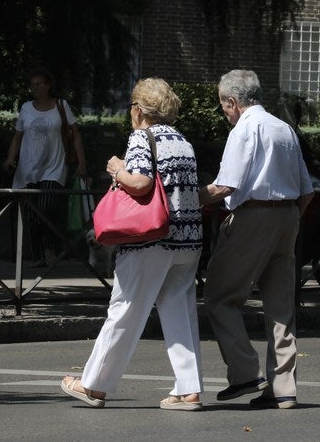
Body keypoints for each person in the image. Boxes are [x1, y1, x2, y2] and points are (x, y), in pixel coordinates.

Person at [60, 77, 204, 410]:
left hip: (150, 241)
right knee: (180, 312)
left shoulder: (142, 136)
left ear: (138, 109)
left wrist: (117, 169)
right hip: (188, 240)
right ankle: (189, 389)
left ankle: (93, 385)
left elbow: (140, 184)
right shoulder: (182, 140)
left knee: (124, 309)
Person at [199, 69, 314, 410]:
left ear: (232, 102)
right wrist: (287, 218)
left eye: (224, 106)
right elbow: (307, 190)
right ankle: (283, 389)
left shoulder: (244, 129)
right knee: (280, 306)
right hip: (288, 214)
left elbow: (225, 186)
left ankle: (244, 371)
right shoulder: (284, 129)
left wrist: (185, 198)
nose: (225, 113)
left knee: (219, 295)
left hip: (253, 216)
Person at [3, 67, 86, 267]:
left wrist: (82, 162)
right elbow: (17, 137)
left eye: (39, 84)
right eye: (32, 85)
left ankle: (51, 249)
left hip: (55, 166)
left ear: (48, 85)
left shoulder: (61, 105)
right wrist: (9, 159)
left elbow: (74, 135)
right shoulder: (26, 108)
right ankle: (39, 255)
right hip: (28, 168)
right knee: (31, 214)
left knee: (46, 206)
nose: (35, 88)